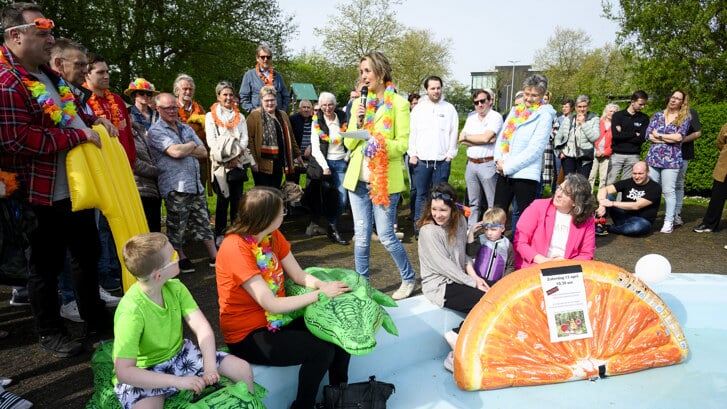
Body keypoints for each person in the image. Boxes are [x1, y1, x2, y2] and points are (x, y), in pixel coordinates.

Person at [0, 2, 119, 357]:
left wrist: (95, 121)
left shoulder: (48, 76)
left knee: (87, 254)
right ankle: (49, 331)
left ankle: (95, 322)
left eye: (51, 32)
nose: (51, 39)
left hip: (75, 188)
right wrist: (77, 137)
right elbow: (15, 139)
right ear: (15, 36)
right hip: (38, 193)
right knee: (45, 265)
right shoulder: (6, 81)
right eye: (43, 33)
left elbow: (73, 112)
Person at [215, 186, 351, 409]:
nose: (284, 215)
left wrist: (323, 285)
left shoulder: (271, 235)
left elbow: (298, 275)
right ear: (266, 217)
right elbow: (270, 304)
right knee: (321, 351)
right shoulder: (235, 248)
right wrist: (320, 294)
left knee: (338, 331)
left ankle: (340, 397)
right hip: (247, 335)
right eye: (281, 212)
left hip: (276, 322)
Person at [114, 232, 254, 409]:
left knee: (242, 369)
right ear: (158, 275)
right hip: (146, 371)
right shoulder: (131, 312)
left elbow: (202, 327)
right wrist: (178, 381)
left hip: (181, 355)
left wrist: (210, 366)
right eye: (173, 256)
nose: (179, 257)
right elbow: (124, 372)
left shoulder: (176, 288)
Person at [343, 51, 417, 300]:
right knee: (361, 238)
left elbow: (403, 144)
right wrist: (360, 124)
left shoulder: (399, 104)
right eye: (361, 72)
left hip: (384, 182)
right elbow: (350, 145)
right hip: (358, 181)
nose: (363, 77)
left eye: (367, 71)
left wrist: (380, 143)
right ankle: (362, 286)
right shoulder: (357, 105)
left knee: (386, 236)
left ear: (381, 72)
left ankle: (408, 278)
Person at [147, 93, 217, 273]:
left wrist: (188, 148)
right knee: (177, 225)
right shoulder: (156, 131)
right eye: (167, 108)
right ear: (158, 109)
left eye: (174, 107)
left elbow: (203, 152)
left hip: (194, 184)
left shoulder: (185, 128)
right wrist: (191, 146)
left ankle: (214, 256)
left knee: (202, 221)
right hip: (175, 185)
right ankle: (181, 257)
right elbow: (175, 152)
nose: (172, 111)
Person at [493, 74, 556, 234]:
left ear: (543, 95)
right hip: (504, 171)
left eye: (534, 95)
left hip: (525, 174)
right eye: (526, 94)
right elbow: (502, 137)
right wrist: (498, 161)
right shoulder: (515, 110)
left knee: (524, 217)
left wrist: (507, 166)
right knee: (497, 213)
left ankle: (523, 251)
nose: (528, 98)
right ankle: (493, 248)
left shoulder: (545, 115)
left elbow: (535, 149)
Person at [408, 75, 459, 232]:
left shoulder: (449, 109)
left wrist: (450, 155)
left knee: (440, 196)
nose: (436, 91)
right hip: (422, 161)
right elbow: (412, 133)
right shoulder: (418, 109)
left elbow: (453, 132)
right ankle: (419, 227)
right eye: (432, 88)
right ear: (426, 90)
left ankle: (438, 227)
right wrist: (413, 154)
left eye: (438, 88)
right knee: (421, 195)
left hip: (442, 161)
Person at [205, 81, 254, 246]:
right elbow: (212, 141)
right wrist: (228, 157)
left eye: (230, 94)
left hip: (238, 163)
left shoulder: (240, 117)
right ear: (218, 96)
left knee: (237, 199)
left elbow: (244, 139)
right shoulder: (210, 116)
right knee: (222, 200)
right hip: (220, 164)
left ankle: (235, 231)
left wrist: (236, 156)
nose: (228, 98)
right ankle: (219, 232)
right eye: (224, 94)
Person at [514, 173, 596, 269]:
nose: (558, 194)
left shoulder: (587, 219)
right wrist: (542, 260)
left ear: (575, 202)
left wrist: (566, 263)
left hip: (567, 269)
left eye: (566, 193)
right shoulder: (538, 207)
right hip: (535, 265)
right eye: (560, 188)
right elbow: (520, 241)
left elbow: (587, 254)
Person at [644, 90, 691, 234]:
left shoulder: (684, 118)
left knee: (669, 191)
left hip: (671, 160)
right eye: (672, 97)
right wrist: (667, 137)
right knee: (651, 190)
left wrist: (659, 135)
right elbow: (648, 135)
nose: (674, 100)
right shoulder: (658, 115)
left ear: (682, 102)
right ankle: (648, 219)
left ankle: (668, 221)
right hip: (653, 158)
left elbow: (678, 137)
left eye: (678, 99)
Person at [308, 92, 349, 245]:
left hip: (341, 162)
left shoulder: (343, 118)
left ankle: (332, 224)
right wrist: (325, 166)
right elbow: (315, 148)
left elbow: (350, 138)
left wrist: (346, 157)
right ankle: (329, 227)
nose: (327, 108)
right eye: (324, 105)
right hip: (325, 163)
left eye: (330, 104)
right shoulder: (316, 121)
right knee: (326, 197)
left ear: (335, 104)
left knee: (342, 198)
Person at [460, 88, 503, 228]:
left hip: (487, 163)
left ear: (490, 101)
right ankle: (471, 230)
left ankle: (492, 229)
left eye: (482, 101)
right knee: (473, 202)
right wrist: (484, 139)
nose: (479, 105)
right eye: (476, 102)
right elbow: (461, 139)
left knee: (492, 202)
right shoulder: (471, 117)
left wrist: (470, 138)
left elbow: (486, 137)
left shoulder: (495, 116)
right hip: (471, 164)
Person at [246, 85, 302, 188]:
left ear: (276, 100)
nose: (270, 103)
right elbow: (249, 141)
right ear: (261, 100)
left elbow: (291, 137)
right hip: (262, 163)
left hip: (279, 161)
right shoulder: (254, 116)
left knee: (275, 192)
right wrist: (253, 162)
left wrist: (297, 154)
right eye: (266, 100)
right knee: (263, 194)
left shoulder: (283, 115)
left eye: (272, 100)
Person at [595, 161, 661, 236]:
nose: (636, 177)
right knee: (607, 196)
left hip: (641, 221)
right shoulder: (628, 182)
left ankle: (608, 228)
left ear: (648, 172)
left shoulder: (655, 187)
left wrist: (611, 203)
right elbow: (604, 189)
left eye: (640, 173)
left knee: (637, 228)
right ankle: (599, 225)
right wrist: (602, 204)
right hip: (622, 216)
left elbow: (636, 206)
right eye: (634, 173)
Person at [173, 74, 209, 190]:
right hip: (180, 159)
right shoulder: (170, 108)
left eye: (190, 89)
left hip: (201, 158)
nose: (188, 92)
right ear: (177, 91)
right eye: (185, 89)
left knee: (200, 190)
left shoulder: (200, 109)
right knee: (183, 191)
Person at [465, 207, 514, 288]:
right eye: (486, 229)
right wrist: (471, 232)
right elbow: (470, 252)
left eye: (493, 229)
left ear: (502, 228)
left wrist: (504, 281)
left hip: (496, 284)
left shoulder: (507, 245)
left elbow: (510, 266)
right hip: (477, 280)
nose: (489, 233)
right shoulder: (481, 239)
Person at [607, 90, 649, 185]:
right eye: (640, 104)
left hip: (633, 155)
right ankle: (606, 200)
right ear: (633, 102)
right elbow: (616, 136)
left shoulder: (644, 118)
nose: (643, 107)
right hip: (617, 154)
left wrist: (624, 133)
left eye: (644, 105)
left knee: (626, 183)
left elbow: (642, 138)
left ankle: (622, 200)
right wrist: (634, 133)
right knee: (610, 182)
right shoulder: (618, 116)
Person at [553, 94, 599, 178]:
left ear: (588, 106)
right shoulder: (569, 119)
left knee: (582, 183)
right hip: (568, 156)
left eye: (584, 106)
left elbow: (595, 137)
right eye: (579, 106)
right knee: (568, 182)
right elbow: (558, 137)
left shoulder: (594, 119)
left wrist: (583, 123)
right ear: (575, 107)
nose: (582, 109)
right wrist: (560, 152)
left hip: (585, 157)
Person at [694, 122, 727, 234]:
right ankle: (709, 224)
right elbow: (720, 143)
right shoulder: (726, 126)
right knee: (716, 199)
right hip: (724, 169)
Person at [239, 45, 290, 113]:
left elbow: (286, 96)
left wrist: (283, 111)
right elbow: (243, 97)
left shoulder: (278, 76)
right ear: (257, 58)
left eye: (268, 57)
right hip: (258, 117)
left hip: (277, 116)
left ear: (271, 59)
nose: (265, 59)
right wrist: (252, 111)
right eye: (263, 57)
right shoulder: (249, 75)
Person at [674, 108, 701, 226]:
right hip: (662, 155)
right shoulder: (663, 112)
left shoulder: (691, 112)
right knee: (658, 184)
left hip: (683, 153)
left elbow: (697, 132)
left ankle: (676, 213)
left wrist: (680, 140)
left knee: (679, 184)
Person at [589, 103, 619, 191]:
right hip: (594, 152)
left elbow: (615, 142)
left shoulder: (616, 126)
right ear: (606, 111)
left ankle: (601, 198)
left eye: (614, 111)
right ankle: (588, 198)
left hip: (606, 155)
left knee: (603, 178)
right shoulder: (598, 122)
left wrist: (604, 152)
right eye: (610, 111)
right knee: (591, 176)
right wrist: (596, 151)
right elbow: (592, 137)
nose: (612, 113)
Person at [288, 99, 314, 186]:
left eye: (308, 107)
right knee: (293, 182)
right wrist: (295, 154)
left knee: (311, 182)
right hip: (294, 156)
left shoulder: (315, 121)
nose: (306, 109)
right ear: (299, 109)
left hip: (310, 156)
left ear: (311, 109)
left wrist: (311, 146)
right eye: (304, 107)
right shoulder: (292, 119)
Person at [551, 98, 574, 190]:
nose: (564, 108)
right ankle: (555, 192)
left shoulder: (574, 119)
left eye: (566, 106)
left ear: (571, 108)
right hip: (558, 150)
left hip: (569, 150)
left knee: (567, 173)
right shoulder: (558, 119)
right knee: (557, 172)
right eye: (563, 106)